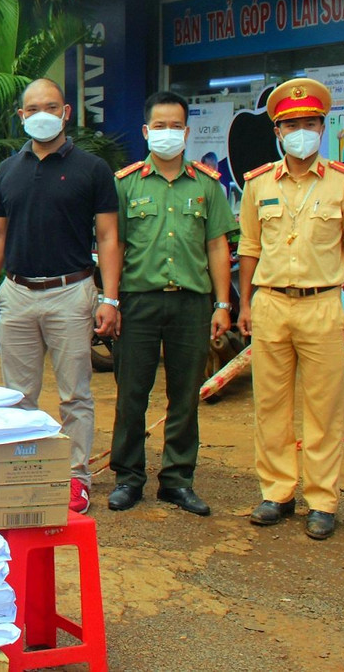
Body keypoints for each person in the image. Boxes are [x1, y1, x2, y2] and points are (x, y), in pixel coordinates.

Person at [0, 78, 121, 514]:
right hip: (16, 294)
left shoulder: (92, 169)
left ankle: (76, 477)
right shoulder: (7, 170)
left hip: (70, 292)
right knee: (18, 395)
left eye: (50, 106)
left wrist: (109, 299)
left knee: (75, 393)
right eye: (32, 107)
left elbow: (109, 236)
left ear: (66, 112)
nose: (41, 113)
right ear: (21, 116)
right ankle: (28, 470)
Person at [238, 77, 344, 540]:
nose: (301, 131)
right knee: (270, 406)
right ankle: (277, 492)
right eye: (291, 124)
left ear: (322, 126)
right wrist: (244, 303)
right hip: (271, 303)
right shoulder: (258, 185)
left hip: (323, 305)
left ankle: (322, 500)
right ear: (277, 131)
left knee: (324, 408)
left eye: (310, 123)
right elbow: (249, 247)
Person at [107, 91, 236, 516]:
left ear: (186, 131)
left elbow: (218, 246)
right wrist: (110, 300)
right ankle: (128, 478)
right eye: (158, 126)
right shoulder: (125, 184)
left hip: (191, 304)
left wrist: (222, 304)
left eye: (174, 126)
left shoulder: (206, 184)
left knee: (184, 395)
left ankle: (178, 480)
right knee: (132, 395)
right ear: (146, 131)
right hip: (138, 302)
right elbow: (115, 245)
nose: (166, 133)